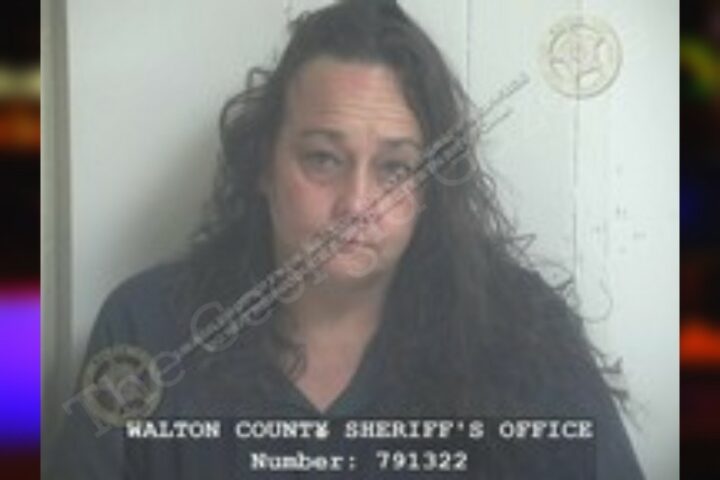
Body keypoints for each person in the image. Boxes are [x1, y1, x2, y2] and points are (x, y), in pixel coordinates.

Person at [46, 0, 645, 478]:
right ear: (263, 165)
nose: (358, 204)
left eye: (395, 169)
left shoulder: (523, 334)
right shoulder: (147, 331)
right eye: (323, 158)